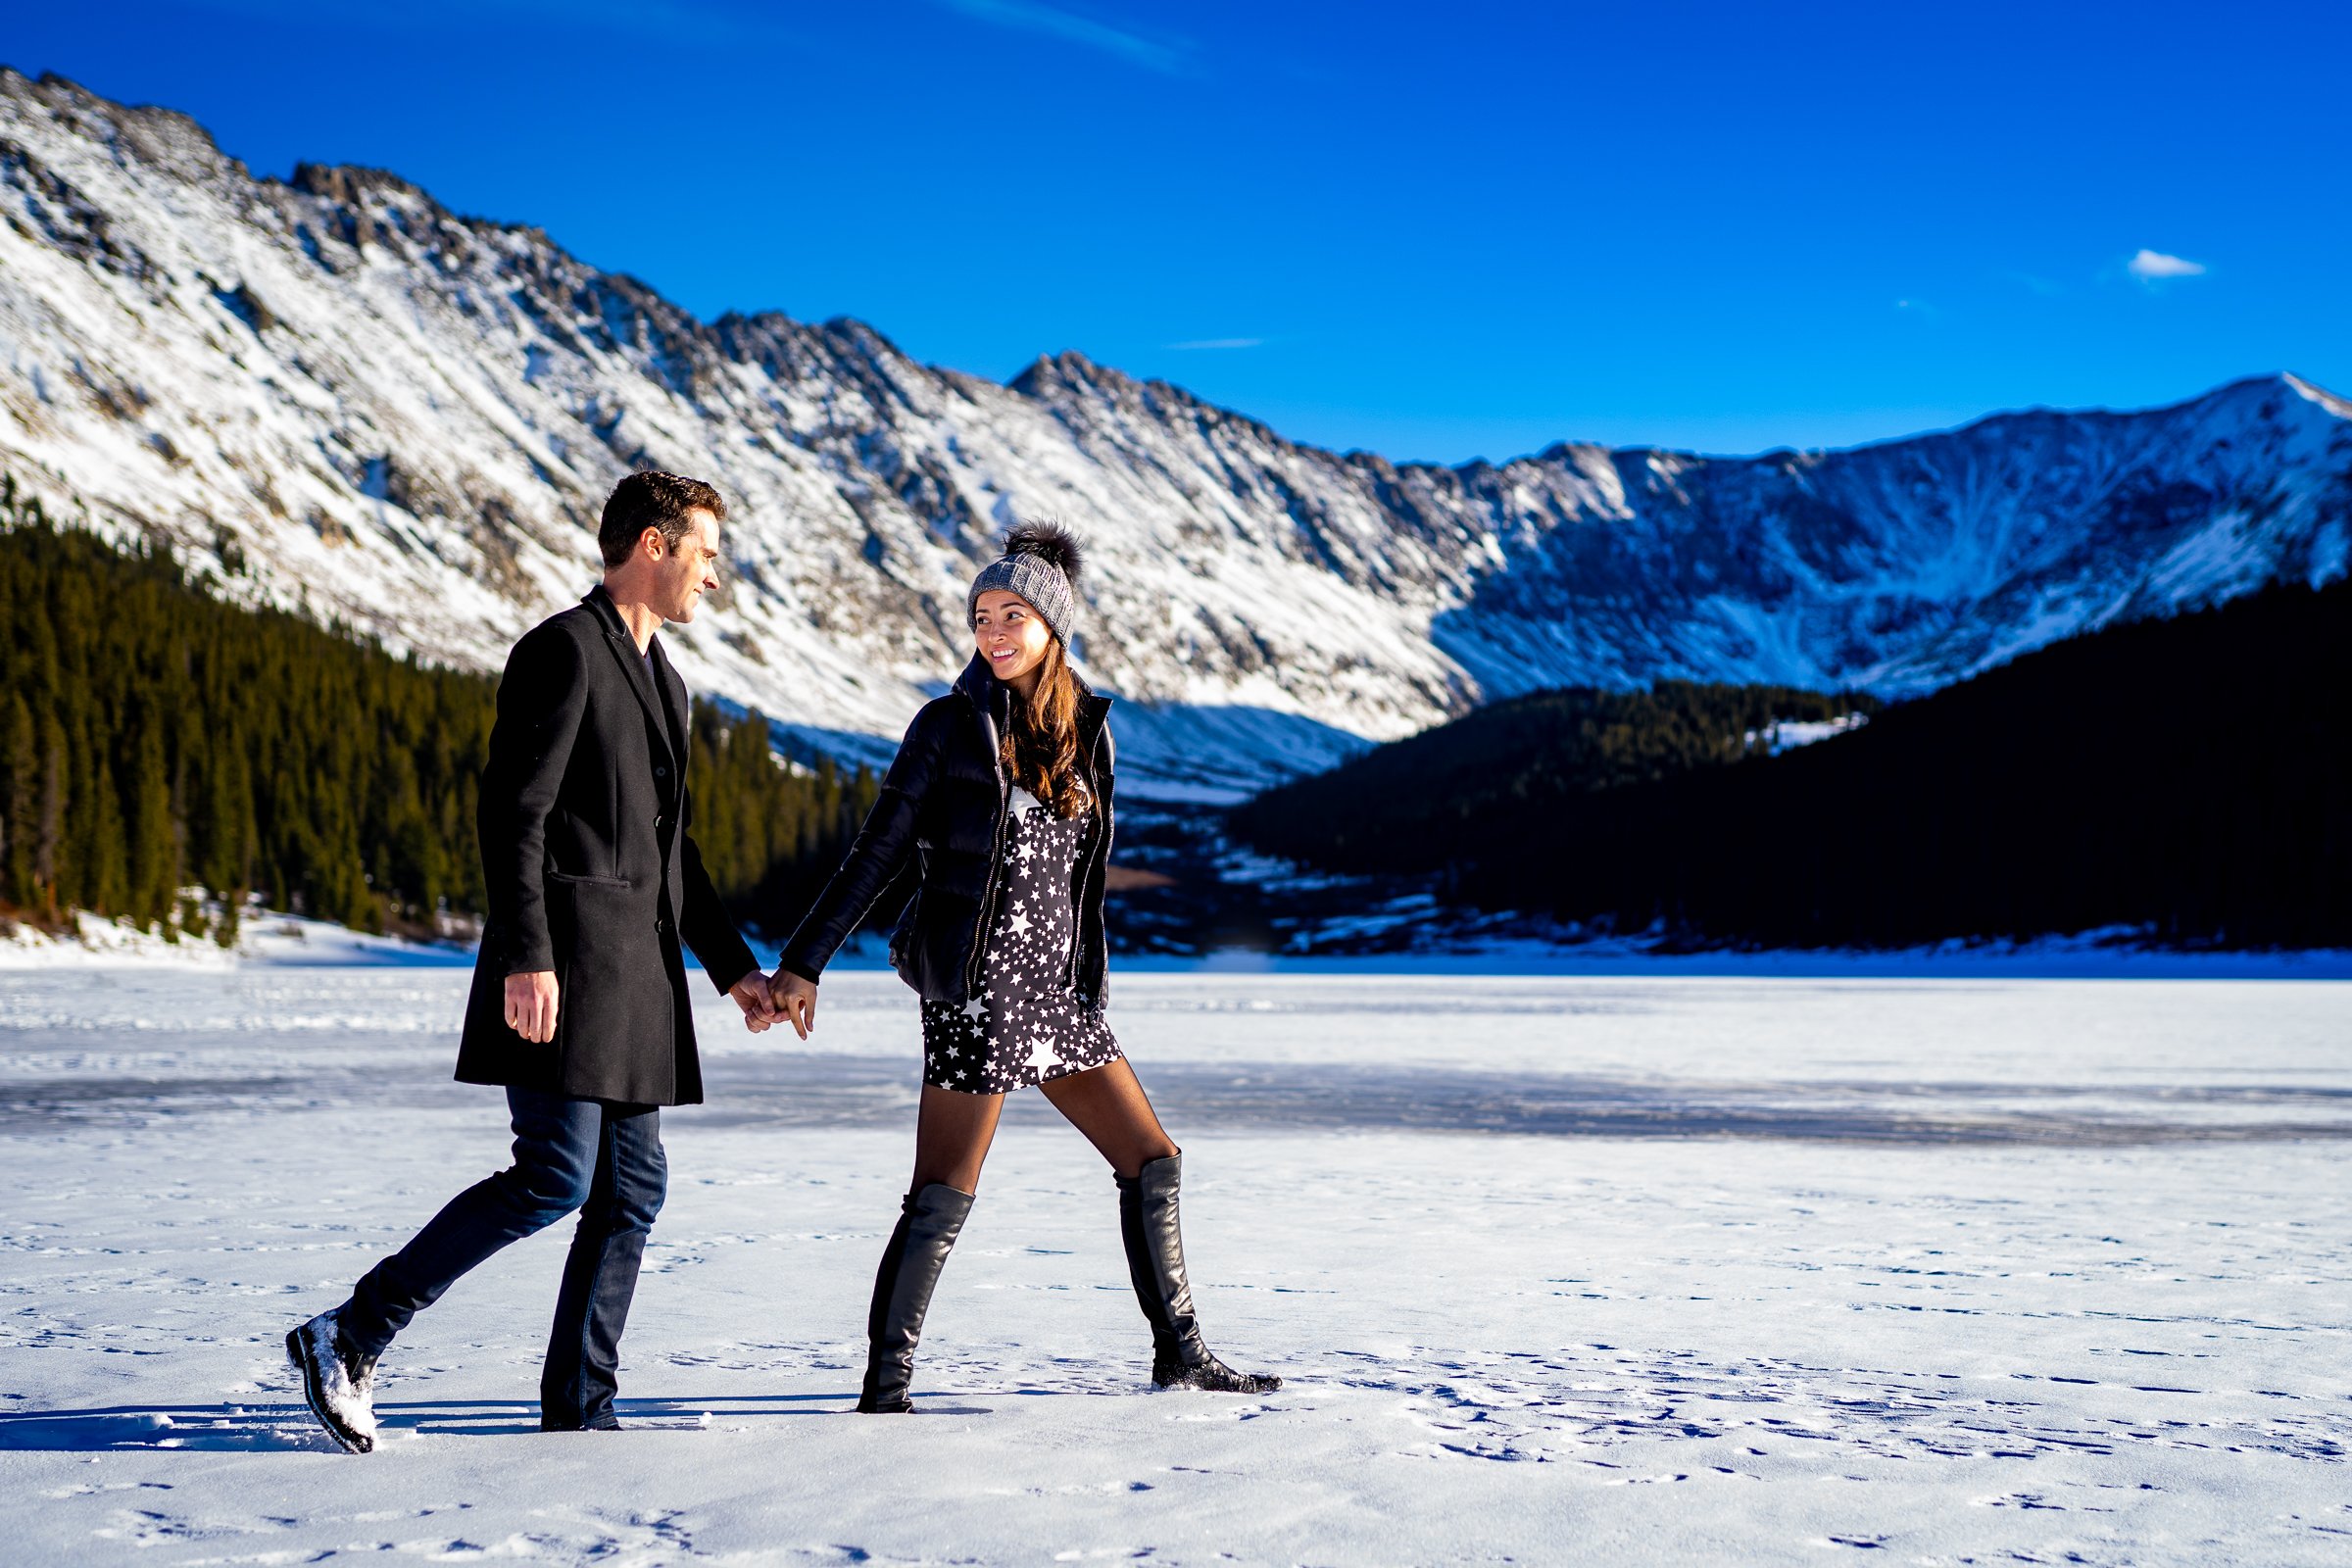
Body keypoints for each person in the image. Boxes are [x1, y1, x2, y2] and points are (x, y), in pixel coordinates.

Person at [286, 471, 778, 1452]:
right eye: (706, 553)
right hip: (563, 969)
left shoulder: (667, 683)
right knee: (556, 1174)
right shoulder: (562, 651)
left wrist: (734, 972)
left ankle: (579, 1406)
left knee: (631, 1190)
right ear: (651, 544)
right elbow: (515, 816)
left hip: (637, 983)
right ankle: (351, 1330)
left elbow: (671, 851)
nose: (714, 578)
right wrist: (524, 952)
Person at [768, 521, 1281, 1413]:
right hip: (978, 992)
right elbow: (876, 854)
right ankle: (884, 1387)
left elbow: (1080, 881)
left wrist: (1091, 975)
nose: (992, 632)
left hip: (1059, 993)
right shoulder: (947, 727)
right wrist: (803, 963)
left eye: (1012, 615)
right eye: (979, 616)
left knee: (1151, 1159)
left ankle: (1182, 1354)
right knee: (943, 1191)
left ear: (1054, 626)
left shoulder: (1088, 732)